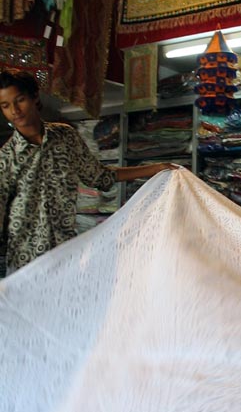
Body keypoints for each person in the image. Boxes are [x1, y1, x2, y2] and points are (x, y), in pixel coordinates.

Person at [0, 69, 178, 274]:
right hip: (25, 262)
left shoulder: (65, 137)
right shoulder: (6, 158)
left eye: (19, 100)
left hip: (64, 254)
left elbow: (100, 177)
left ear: (34, 97)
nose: (15, 110)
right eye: (5, 106)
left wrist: (154, 169)